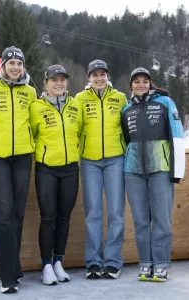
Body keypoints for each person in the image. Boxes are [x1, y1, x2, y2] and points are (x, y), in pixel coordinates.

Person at [0, 46, 37, 293]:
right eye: (10, 63)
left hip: (23, 157)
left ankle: (13, 265)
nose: (15, 67)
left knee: (17, 213)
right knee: (2, 213)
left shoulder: (31, 92)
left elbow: (34, 123)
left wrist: (27, 141)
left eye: (19, 64)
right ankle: (6, 275)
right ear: (2, 66)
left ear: (23, 67)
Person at [121, 67, 185, 282]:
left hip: (160, 169)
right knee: (140, 220)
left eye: (145, 81)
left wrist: (177, 171)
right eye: (136, 81)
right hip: (133, 171)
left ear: (150, 83)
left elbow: (177, 136)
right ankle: (145, 263)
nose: (141, 85)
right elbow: (126, 141)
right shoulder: (126, 109)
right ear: (131, 85)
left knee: (161, 219)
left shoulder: (165, 103)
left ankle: (161, 264)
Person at [29, 65, 82, 285]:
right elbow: (31, 133)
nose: (58, 83)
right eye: (54, 80)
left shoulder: (75, 105)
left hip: (70, 168)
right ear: (45, 83)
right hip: (47, 169)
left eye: (62, 80)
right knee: (48, 217)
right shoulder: (36, 107)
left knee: (64, 218)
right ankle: (46, 266)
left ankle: (58, 261)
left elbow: (79, 132)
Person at [75, 59, 127, 280]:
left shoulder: (120, 97)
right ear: (89, 77)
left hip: (116, 159)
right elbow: (74, 129)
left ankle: (113, 262)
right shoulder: (79, 99)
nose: (98, 78)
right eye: (94, 75)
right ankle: (94, 262)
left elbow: (127, 127)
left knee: (116, 212)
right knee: (93, 212)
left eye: (102, 74)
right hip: (89, 161)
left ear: (108, 76)